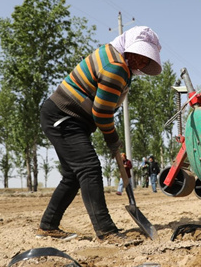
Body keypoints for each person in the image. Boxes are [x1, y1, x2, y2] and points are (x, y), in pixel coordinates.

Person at [36, 26, 162, 241]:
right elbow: (102, 112)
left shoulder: (112, 54)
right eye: (138, 55)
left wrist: (114, 145)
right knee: (89, 168)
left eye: (145, 60)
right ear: (128, 47)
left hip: (67, 117)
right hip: (64, 116)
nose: (140, 63)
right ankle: (106, 231)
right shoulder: (116, 67)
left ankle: (48, 225)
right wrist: (113, 142)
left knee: (73, 175)